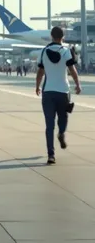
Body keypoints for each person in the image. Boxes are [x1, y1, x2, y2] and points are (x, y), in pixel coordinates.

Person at [36, 26, 81, 165]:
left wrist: (37, 86)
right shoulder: (66, 51)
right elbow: (72, 70)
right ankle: (61, 133)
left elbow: (40, 72)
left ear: (51, 36)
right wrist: (78, 84)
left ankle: (51, 155)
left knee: (49, 125)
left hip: (48, 92)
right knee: (64, 117)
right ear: (63, 37)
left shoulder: (43, 52)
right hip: (63, 91)